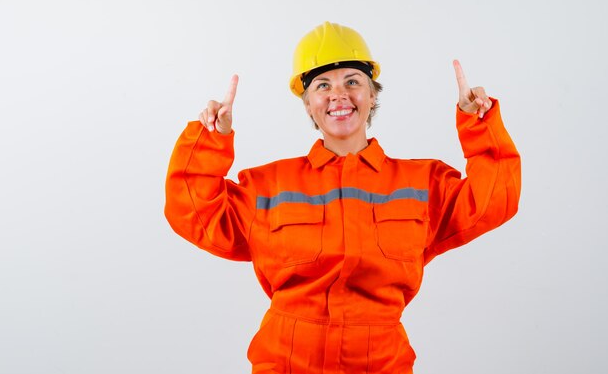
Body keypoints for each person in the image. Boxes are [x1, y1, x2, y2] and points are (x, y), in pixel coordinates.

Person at [164, 21, 521, 374]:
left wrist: (479, 123)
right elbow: (192, 212)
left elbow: (493, 201)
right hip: (285, 363)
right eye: (322, 85)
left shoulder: (422, 183)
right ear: (307, 104)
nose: (339, 95)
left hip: (382, 364)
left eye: (353, 81)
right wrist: (212, 137)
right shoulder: (268, 186)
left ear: (373, 94)